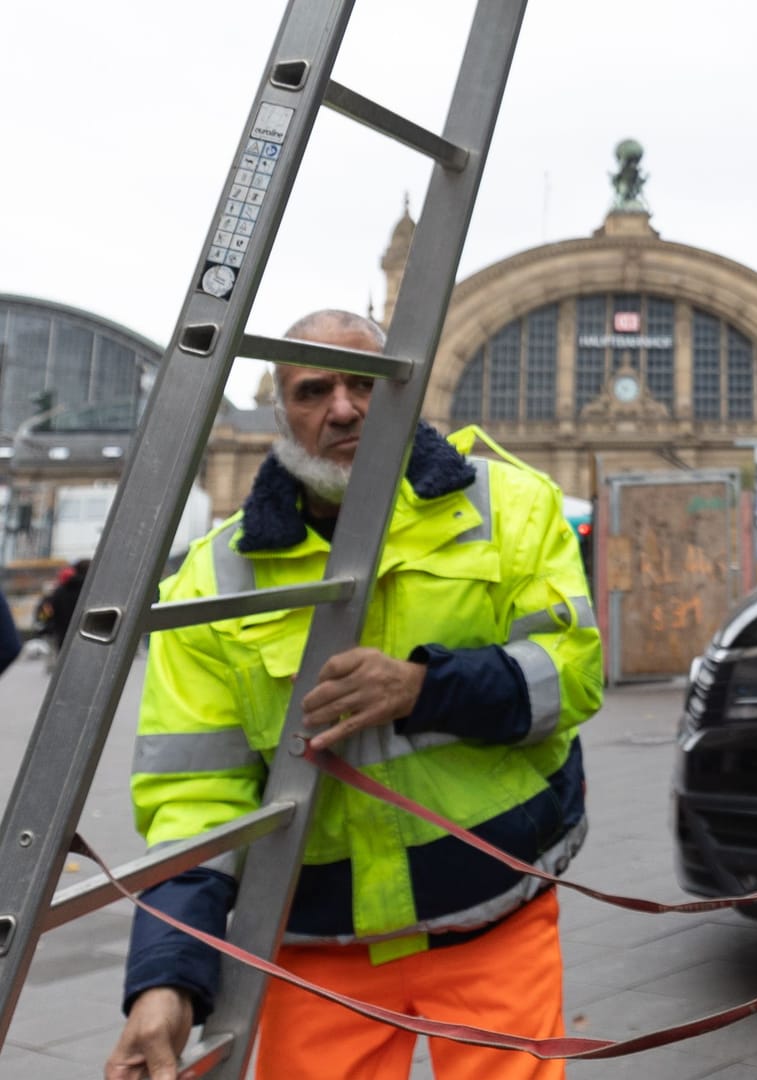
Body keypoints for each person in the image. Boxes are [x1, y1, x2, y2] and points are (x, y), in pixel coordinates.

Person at [105, 310, 602, 1080]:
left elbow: (572, 673)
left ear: (405, 390)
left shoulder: (511, 506)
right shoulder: (214, 579)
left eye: (365, 382)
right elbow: (194, 798)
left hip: (495, 916)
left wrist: (425, 687)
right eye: (313, 390)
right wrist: (165, 983)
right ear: (281, 413)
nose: (343, 407)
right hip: (315, 952)